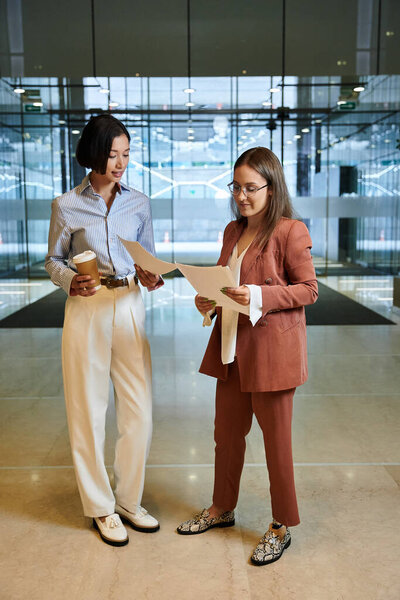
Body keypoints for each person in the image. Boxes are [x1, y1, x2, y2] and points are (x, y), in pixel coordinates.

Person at [177, 147, 318, 566]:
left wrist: (258, 295)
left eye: (250, 188)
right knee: (226, 437)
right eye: (235, 187)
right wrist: (209, 302)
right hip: (231, 349)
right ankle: (222, 508)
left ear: (271, 189)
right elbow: (225, 283)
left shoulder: (290, 231)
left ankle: (281, 525)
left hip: (272, 353)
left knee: (277, 445)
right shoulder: (231, 231)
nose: (241, 195)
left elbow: (309, 289)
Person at [45, 114, 163, 546]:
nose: (121, 162)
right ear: (93, 153)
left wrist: (152, 275)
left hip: (130, 304)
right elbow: (53, 260)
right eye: (113, 154)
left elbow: (147, 257)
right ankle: (100, 507)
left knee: (139, 412)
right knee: (88, 410)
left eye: (127, 154)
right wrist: (67, 280)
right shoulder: (66, 205)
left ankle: (129, 499)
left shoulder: (140, 202)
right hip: (87, 308)